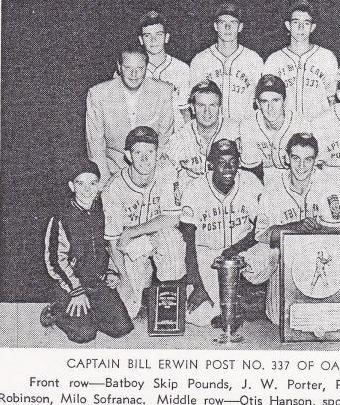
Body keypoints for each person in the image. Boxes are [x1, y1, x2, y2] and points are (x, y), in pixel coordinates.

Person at [178, 139, 275, 328]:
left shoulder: (250, 182)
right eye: (222, 162)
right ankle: (239, 300)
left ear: (239, 161)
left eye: (233, 161)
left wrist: (233, 250)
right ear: (211, 164)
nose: (229, 168)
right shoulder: (194, 189)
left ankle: (246, 289)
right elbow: (188, 241)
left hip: (242, 249)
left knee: (269, 253)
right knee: (199, 316)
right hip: (207, 253)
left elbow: (261, 227)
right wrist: (198, 285)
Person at [255, 133, 340, 324]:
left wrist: (319, 230)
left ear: (316, 160)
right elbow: (262, 235)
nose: (301, 166)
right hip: (286, 256)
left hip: (320, 255)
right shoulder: (272, 189)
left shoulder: (328, 185)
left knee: (318, 319)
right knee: (279, 318)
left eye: (308, 160)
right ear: (286, 158)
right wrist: (293, 228)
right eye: (296, 158)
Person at [41, 159, 134, 343]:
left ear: (98, 185)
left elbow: (107, 246)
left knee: (122, 328)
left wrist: (110, 271)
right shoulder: (62, 217)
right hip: (70, 284)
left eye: (92, 183)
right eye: (80, 183)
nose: (87, 190)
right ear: (72, 186)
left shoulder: (103, 211)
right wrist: (76, 290)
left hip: (96, 282)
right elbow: (55, 260)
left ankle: (90, 312)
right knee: (85, 335)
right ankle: (58, 309)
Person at [101, 127, 188, 319]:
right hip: (128, 248)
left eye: (150, 152)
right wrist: (124, 278)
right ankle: (142, 281)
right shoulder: (114, 188)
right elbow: (113, 242)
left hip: (152, 237)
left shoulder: (166, 172)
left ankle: (168, 305)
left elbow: (172, 218)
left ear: (158, 153)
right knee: (127, 313)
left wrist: (133, 230)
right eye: (138, 152)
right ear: (128, 155)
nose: (145, 159)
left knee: (172, 240)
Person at [86, 43, 175, 184]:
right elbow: (95, 146)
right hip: (113, 171)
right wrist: (106, 186)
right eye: (128, 68)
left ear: (146, 67)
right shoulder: (98, 94)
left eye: (139, 69)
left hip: (152, 171)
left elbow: (165, 139)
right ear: (119, 67)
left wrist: (153, 178)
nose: (134, 75)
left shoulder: (163, 91)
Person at [263, 0, 339, 121]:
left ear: (312, 27)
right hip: (285, 129)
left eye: (306, 23)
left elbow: (333, 101)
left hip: (319, 128)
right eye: (296, 22)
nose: (301, 27)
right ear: (288, 25)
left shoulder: (326, 57)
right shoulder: (274, 60)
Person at [189, 2, 263, 122]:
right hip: (210, 130)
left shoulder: (254, 60)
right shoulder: (200, 60)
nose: (227, 27)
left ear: (240, 27)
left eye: (233, 23)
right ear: (215, 26)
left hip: (243, 129)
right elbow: (192, 103)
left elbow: (260, 102)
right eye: (222, 22)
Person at [238, 74, 312, 183]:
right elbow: (252, 173)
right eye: (264, 101)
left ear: (284, 102)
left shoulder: (300, 124)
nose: (270, 107)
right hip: (263, 183)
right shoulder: (249, 125)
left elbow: (306, 168)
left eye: (275, 100)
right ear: (258, 103)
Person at [164, 80, 240, 180]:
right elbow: (166, 172)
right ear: (192, 107)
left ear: (220, 108)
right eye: (201, 105)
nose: (207, 112)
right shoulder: (181, 137)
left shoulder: (234, 131)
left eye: (212, 105)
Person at [135, 10, 191, 115]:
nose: (153, 40)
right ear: (141, 40)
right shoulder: (133, 70)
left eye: (159, 34)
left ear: (167, 37)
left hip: (175, 130)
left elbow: (184, 111)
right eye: (147, 35)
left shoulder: (181, 69)